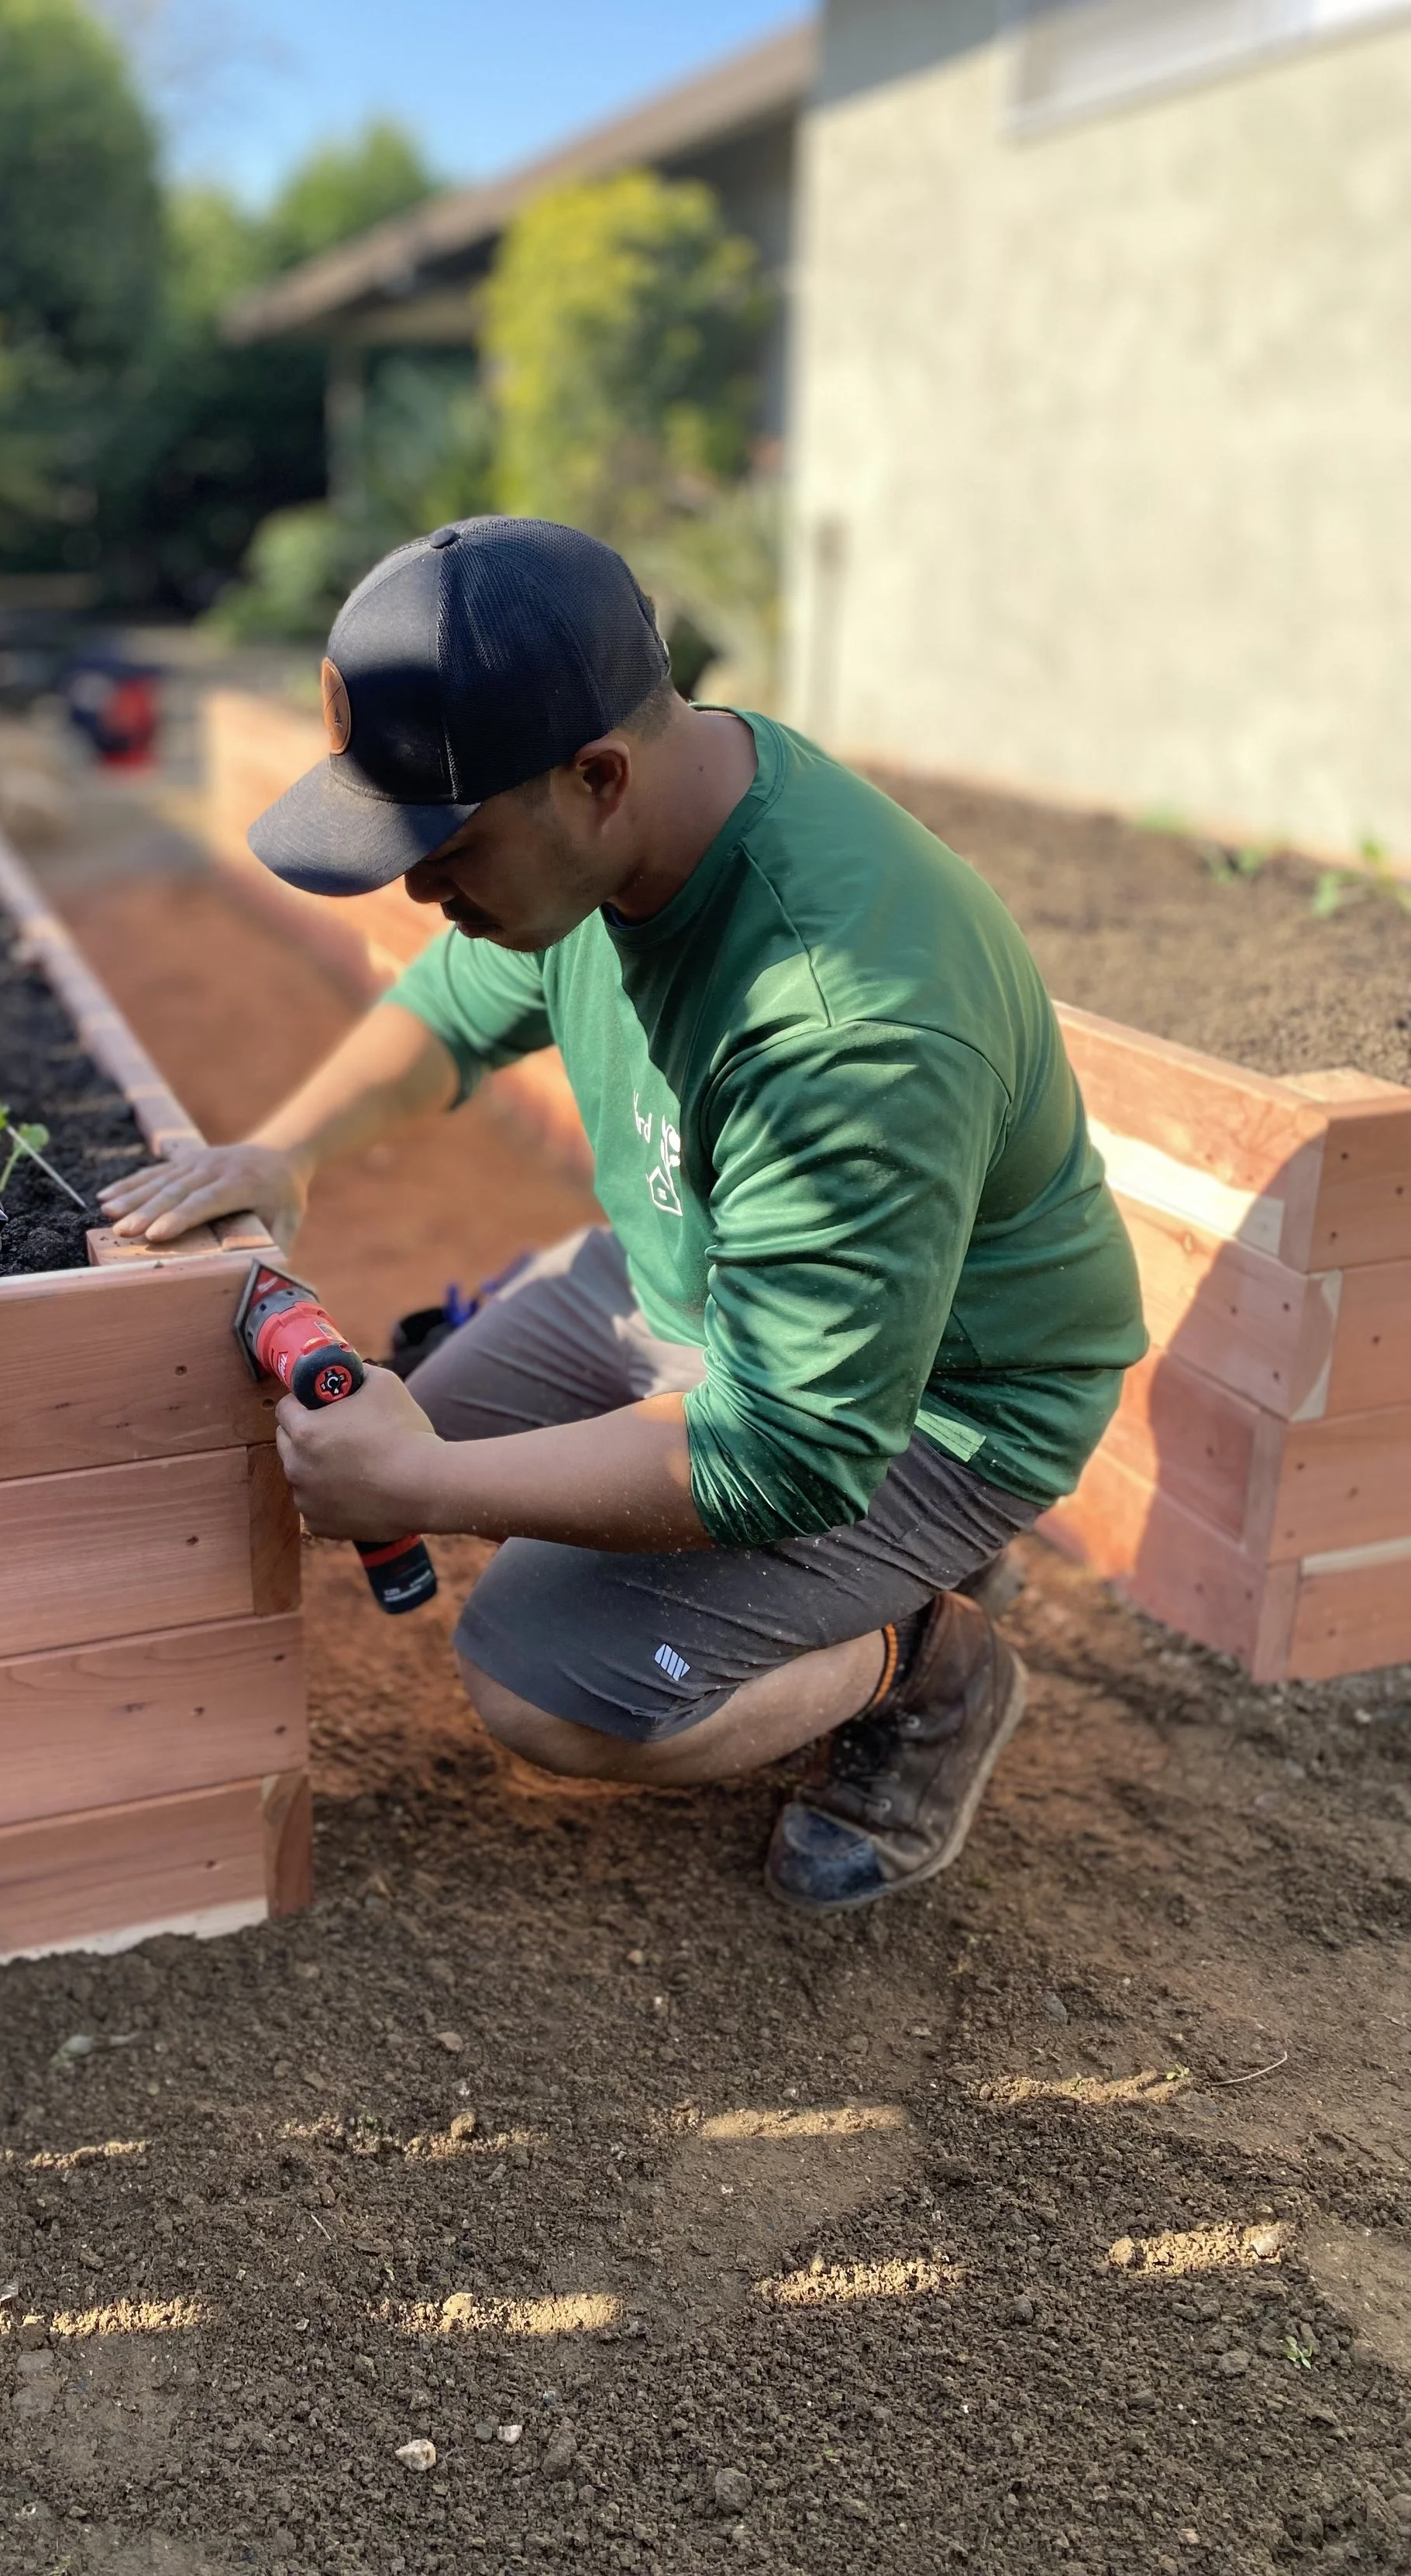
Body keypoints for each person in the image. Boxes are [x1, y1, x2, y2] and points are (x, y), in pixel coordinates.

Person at [99, 518, 1146, 1913]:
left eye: (449, 848)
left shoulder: (845, 1030)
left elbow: (786, 1452)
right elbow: (463, 1008)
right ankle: (853, 1581)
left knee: (547, 1684)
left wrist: (423, 1491)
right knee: (412, 1435)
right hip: (687, 1286)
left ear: (597, 778)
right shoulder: (643, 810)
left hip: (926, 1403)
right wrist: (284, 1153)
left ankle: (926, 1661)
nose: (421, 890)